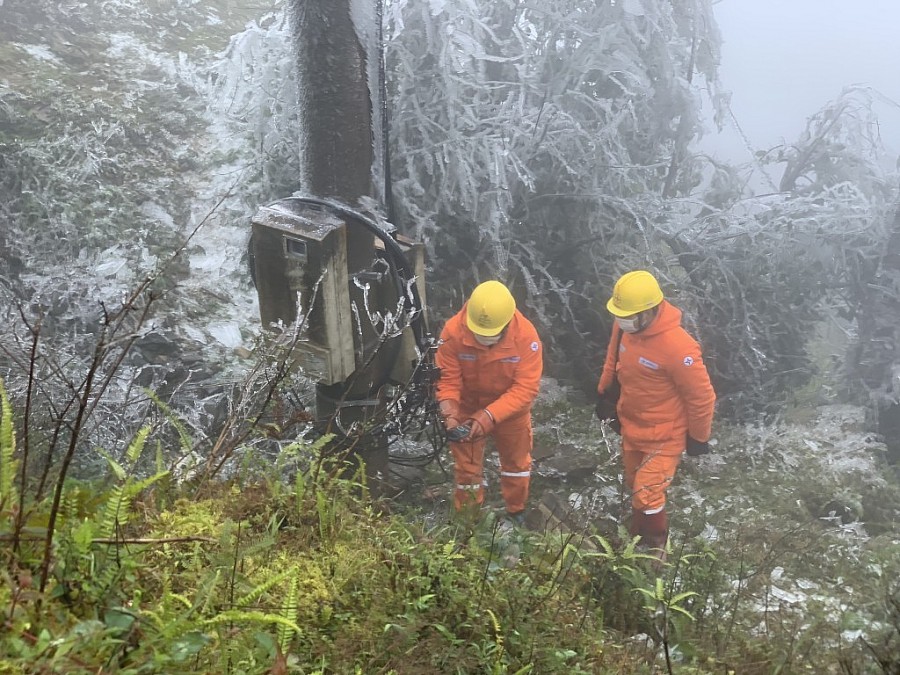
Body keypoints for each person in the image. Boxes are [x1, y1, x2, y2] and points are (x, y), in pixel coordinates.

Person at [595, 270, 715, 560]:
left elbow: (701, 396)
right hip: (632, 424)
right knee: (634, 484)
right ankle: (635, 538)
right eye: (619, 314)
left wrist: (698, 437)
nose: (621, 320)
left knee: (647, 493)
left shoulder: (679, 347)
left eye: (628, 315)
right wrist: (604, 392)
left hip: (665, 435)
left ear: (650, 311)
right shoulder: (625, 325)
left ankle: (655, 547)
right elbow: (613, 356)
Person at [435, 280, 543, 525]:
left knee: (517, 464)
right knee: (467, 470)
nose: (483, 338)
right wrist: (450, 413)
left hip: (511, 411)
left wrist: (489, 416)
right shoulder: (453, 332)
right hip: (467, 407)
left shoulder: (526, 337)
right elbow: (447, 379)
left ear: (506, 324)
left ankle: (516, 511)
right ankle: (468, 521)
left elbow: (526, 388)